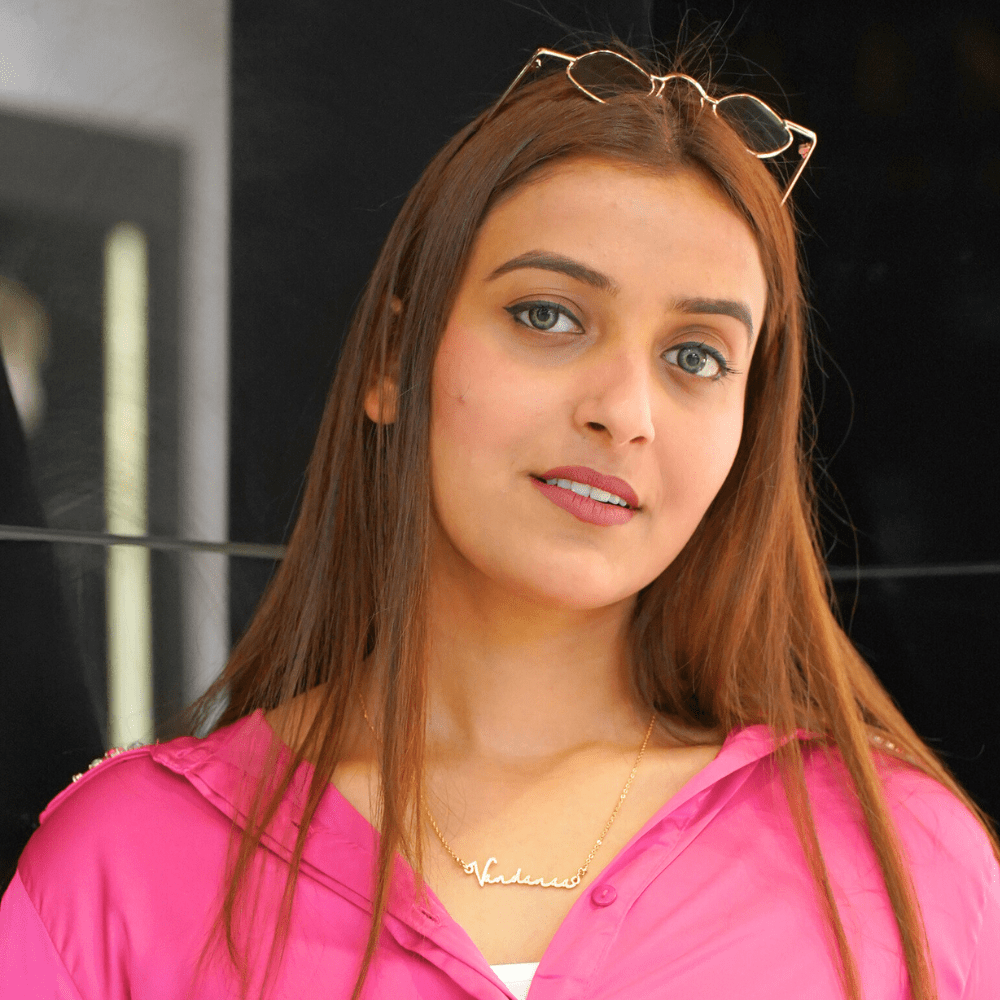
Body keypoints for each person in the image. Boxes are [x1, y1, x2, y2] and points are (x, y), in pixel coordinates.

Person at [1, 39, 997, 1000]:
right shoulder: (121, 865)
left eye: (695, 356)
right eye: (548, 315)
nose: (623, 410)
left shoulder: (903, 864)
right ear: (396, 361)